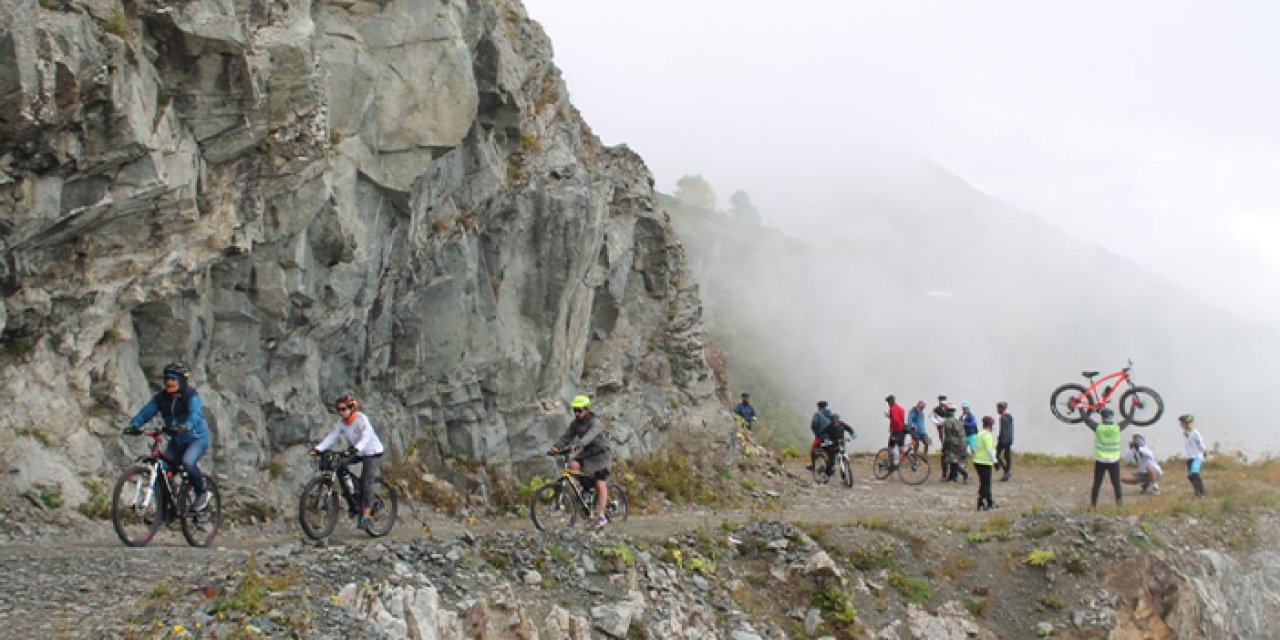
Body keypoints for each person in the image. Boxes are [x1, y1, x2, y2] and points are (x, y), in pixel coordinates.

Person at [124, 362, 212, 512]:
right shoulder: (161, 398)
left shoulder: (190, 395)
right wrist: (135, 424)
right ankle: (165, 511)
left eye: (173, 379)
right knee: (161, 472)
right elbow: (147, 412)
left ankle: (202, 493)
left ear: (181, 381)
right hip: (177, 442)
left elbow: (195, 414)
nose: (169, 382)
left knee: (188, 462)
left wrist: (187, 426)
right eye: (167, 379)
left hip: (197, 439)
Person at [314, 393, 385, 530]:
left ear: (352, 408)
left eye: (343, 409)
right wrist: (319, 448)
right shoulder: (341, 423)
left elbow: (367, 436)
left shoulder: (362, 419)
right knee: (339, 464)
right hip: (357, 450)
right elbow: (332, 436)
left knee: (367, 481)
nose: (340, 412)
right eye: (338, 409)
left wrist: (357, 448)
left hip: (372, 451)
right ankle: (353, 496)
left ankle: (366, 515)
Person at [549, 395, 612, 528]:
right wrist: (556, 447)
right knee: (573, 465)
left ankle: (601, 516)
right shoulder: (575, 424)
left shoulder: (595, 422)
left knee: (600, 482)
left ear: (587, 409)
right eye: (574, 410)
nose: (576, 413)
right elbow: (567, 437)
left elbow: (590, 436)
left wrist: (578, 445)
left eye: (579, 410)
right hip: (588, 452)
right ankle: (587, 490)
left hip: (601, 454)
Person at [1082, 407, 1130, 509]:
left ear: (1102, 418)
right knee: (1116, 485)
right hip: (1114, 461)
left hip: (1101, 461)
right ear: (1112, 417)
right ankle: (1120, 507)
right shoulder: (1117, 428)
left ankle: (1093, 506)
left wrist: (1080, 406)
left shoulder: (1098, 427)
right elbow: (1128, 420)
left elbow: (1086, 419)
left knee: (1097, 484)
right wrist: (1133, 406)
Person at [817, 413, 856, 480]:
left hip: (841, 443)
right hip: (831, 445)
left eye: (837, 421)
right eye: (834, 422)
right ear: (831, 422)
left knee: (843, 454)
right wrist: (826, 439)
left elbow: (849, 428)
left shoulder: (842, 424)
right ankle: (826, 473)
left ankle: (843, 468)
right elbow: (821, 433)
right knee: (831, 461)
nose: (836, 423)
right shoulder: (828, 427)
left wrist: (852, 433)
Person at [973, 415, 1000, 510]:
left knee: (983, 483)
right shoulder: (987, 435)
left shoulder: (980, 434)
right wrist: (995, 461)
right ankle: (985, 502)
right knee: (986, 484)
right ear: (990, 425)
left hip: (977, 461)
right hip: (984, 462)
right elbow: (990, 450)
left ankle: (985, 501)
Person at [1180, 414, 1206, 498]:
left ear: (1187, 423)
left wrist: (1204, 451)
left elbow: (1200, 443)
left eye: (1182, 423)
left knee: (1195, 473)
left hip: (1197, 456)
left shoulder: (1195, 433)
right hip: (1190, 456)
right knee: (1190, 476)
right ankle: (1196, 490)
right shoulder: (1186, 432)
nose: (1181, 425)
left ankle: (1201, 493)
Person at [942, 403, 969, 483]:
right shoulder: (957, 420)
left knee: (952, 460)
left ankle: (961, 474)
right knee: (954, 460)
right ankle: (952, 476)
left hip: (953, 443)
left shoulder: (948, 422)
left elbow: (948, 436)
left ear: (947, 411)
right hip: (962, 443)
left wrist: (944, 447)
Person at [807, 400, 833, 471]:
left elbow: (813, 425)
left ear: (818, 407)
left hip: (821, 436)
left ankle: (813, 465)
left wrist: (816, 433)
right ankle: (831, 465)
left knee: (814, 450)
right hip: (831, 437)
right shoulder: (830, 414)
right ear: (825, 406)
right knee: (829, 449)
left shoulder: (817, 414)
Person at [885, 395, 907, 470]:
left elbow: (895, 420)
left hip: (896, 431)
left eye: (888, 402)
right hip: (902, 432)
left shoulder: (892, 409)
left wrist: (891, 428)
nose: (888, 404)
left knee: (891, 446)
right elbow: (901, 419)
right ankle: (901, 462)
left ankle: (895, 463)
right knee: (901, 448)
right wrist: (890, 416)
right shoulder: (901, 408)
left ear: (891, 401)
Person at [996, 401, 1014, 481]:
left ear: (1002, 408)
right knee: (1007, 456)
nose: (997, 409)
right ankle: (1007, 471)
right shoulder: (1009, 416)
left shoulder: (1002, 418)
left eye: (998, 408)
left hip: (1003, 439)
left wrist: (1000, 438)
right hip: (1009, 438)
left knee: (997, 455)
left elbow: (1002, 430)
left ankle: (1006, 471)